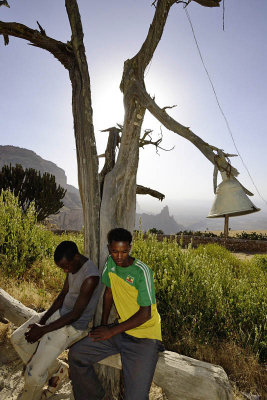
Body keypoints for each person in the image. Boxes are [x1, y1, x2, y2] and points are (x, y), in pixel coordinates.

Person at [69, 228, 163, 400]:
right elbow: (109, 293)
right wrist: (104, 325)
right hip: (121, 331)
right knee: (76, 355)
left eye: (124, 252)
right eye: (115, 251)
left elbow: (145, 315)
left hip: (145, 338)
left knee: (135, 397)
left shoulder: (142, 271)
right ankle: (94, 395)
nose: (119, 257)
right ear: (109, 248)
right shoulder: (110, 264)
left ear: (131, 248)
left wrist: (111, 331)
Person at [11, 240, 102, 400]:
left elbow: (75, 315)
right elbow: (62, 295)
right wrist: (42, 321)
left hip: (72, 327)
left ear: (76, 256)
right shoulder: (72, 265)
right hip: (59, 315)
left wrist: (43, 330)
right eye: (62, 268)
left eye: (66, 267)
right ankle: (57, 369)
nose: (66, 270)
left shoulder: (90, 277)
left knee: (32, 374)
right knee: (17, 338)